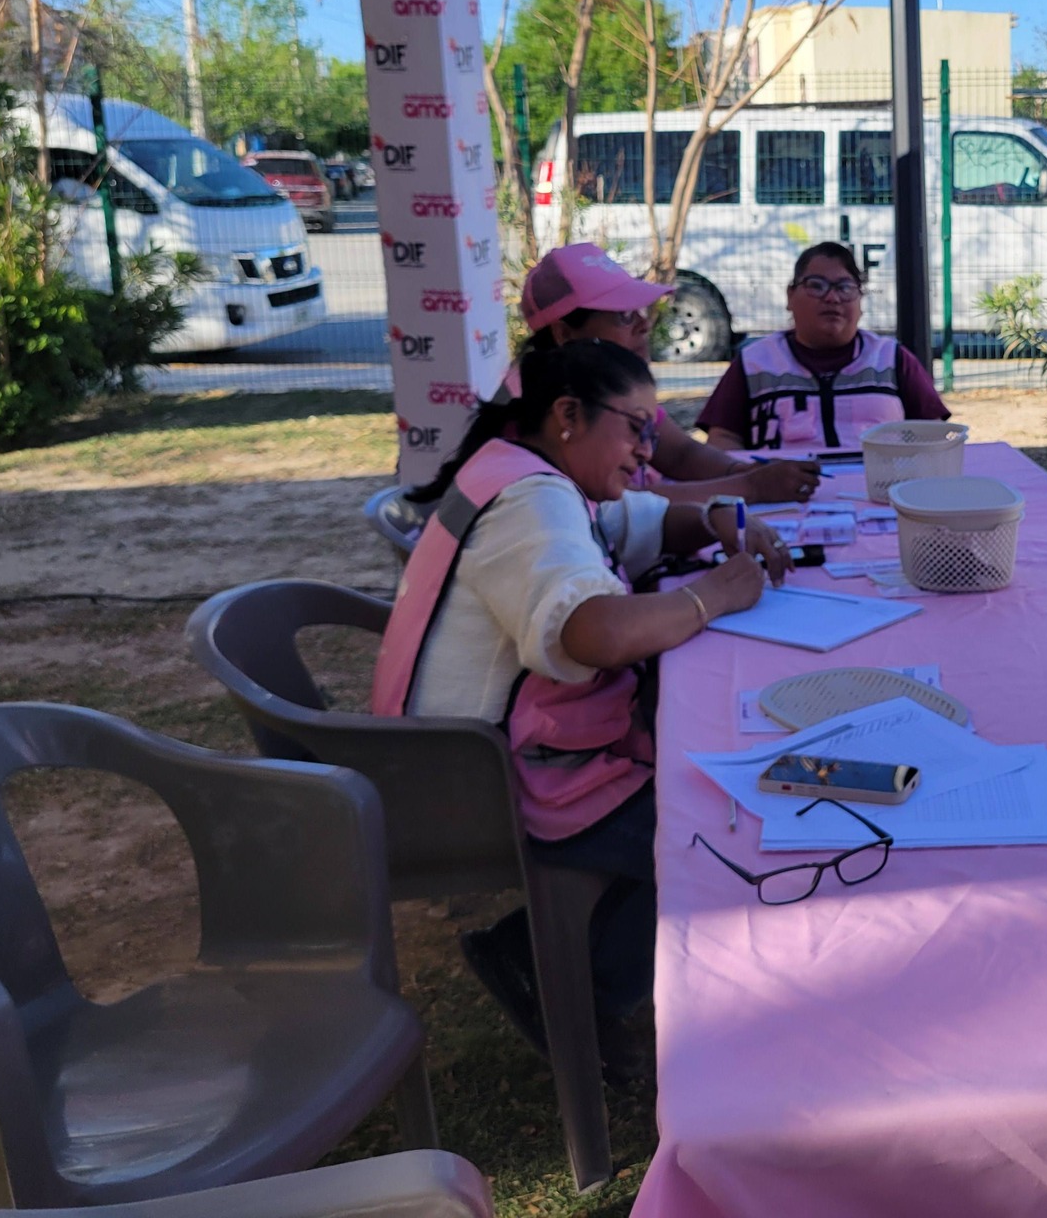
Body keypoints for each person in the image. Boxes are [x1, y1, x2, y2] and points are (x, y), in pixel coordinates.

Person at [372, 338, 791, 1074]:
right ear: (568, 415)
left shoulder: (531, 475)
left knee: (706, 774)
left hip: (459, 756)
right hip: (476, 783)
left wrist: (718, 517)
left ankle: (555, 955)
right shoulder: (530, 502)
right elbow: (591, 631)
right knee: (720, 826)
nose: (647, 451)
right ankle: (571, 978)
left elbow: (642, 522)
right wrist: (716, 592)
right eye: (635, 427)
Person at [518, 242, 822, 502]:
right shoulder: (554, 412)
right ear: (565, 334)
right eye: (624, 316)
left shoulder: (604, 390)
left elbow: (681, 455)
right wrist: (751, 486)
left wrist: (748, 472)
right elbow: (623, 503)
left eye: (639, 310)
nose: (644, 324)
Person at [697, 242, 949, 452]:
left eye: (845, 287)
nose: (832, 298)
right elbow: (723, 440)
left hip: (881, 497)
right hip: (780, 502)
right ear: (789, 296)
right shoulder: (754, 363)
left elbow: (934, 435)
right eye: (816, 285)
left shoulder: (892, 359)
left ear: (860, 300)